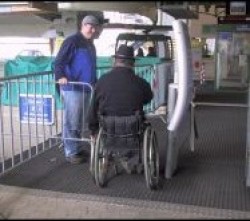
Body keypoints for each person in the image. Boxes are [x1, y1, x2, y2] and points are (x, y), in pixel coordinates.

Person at [88, 44, 153, 172]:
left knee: (105, 130)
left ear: (115, 61)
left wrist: (93, 129)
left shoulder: (102, 81)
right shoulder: (140, 82)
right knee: (142, 126)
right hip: (133, 128)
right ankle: (131, 160)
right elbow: (148, 99)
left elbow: (93, 108)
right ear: (132, 63)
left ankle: (108, 158)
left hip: (108, 128)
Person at [54, 15, 102, 164]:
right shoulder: (72, 41)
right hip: (73, 87)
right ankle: (71, 152)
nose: (92, 29)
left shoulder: (90, 44)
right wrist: (60, 75)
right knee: (72, 120)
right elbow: (59, 61)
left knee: (79, 120)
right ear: (82, 25)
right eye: (89, 26)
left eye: (94, 27)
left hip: (86, 87)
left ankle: (77, 146)